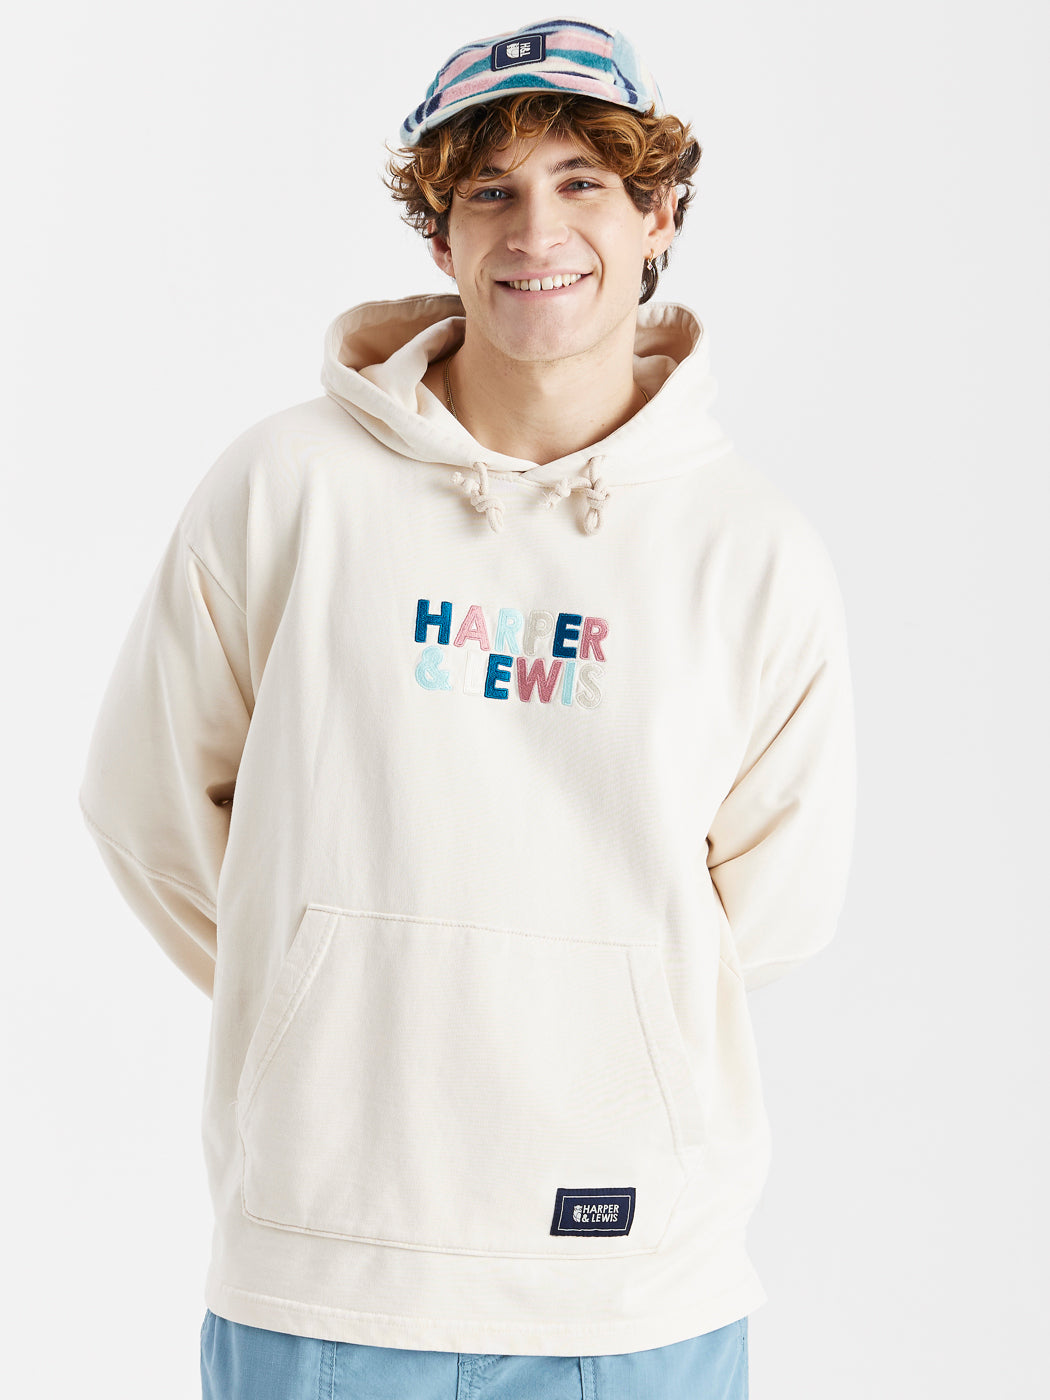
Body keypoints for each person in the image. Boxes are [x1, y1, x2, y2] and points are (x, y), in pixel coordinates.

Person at [78, 16, 856, 1400]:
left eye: (582, 182)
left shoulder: (749, 548)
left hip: (632, 1280)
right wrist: (329, 993)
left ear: (658, 217)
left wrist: (578, 1006)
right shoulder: (287, 488)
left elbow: (777, 905)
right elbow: (149, 807)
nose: (534, 230)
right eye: (489, 191)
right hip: (327, 1263)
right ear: (438, 237)